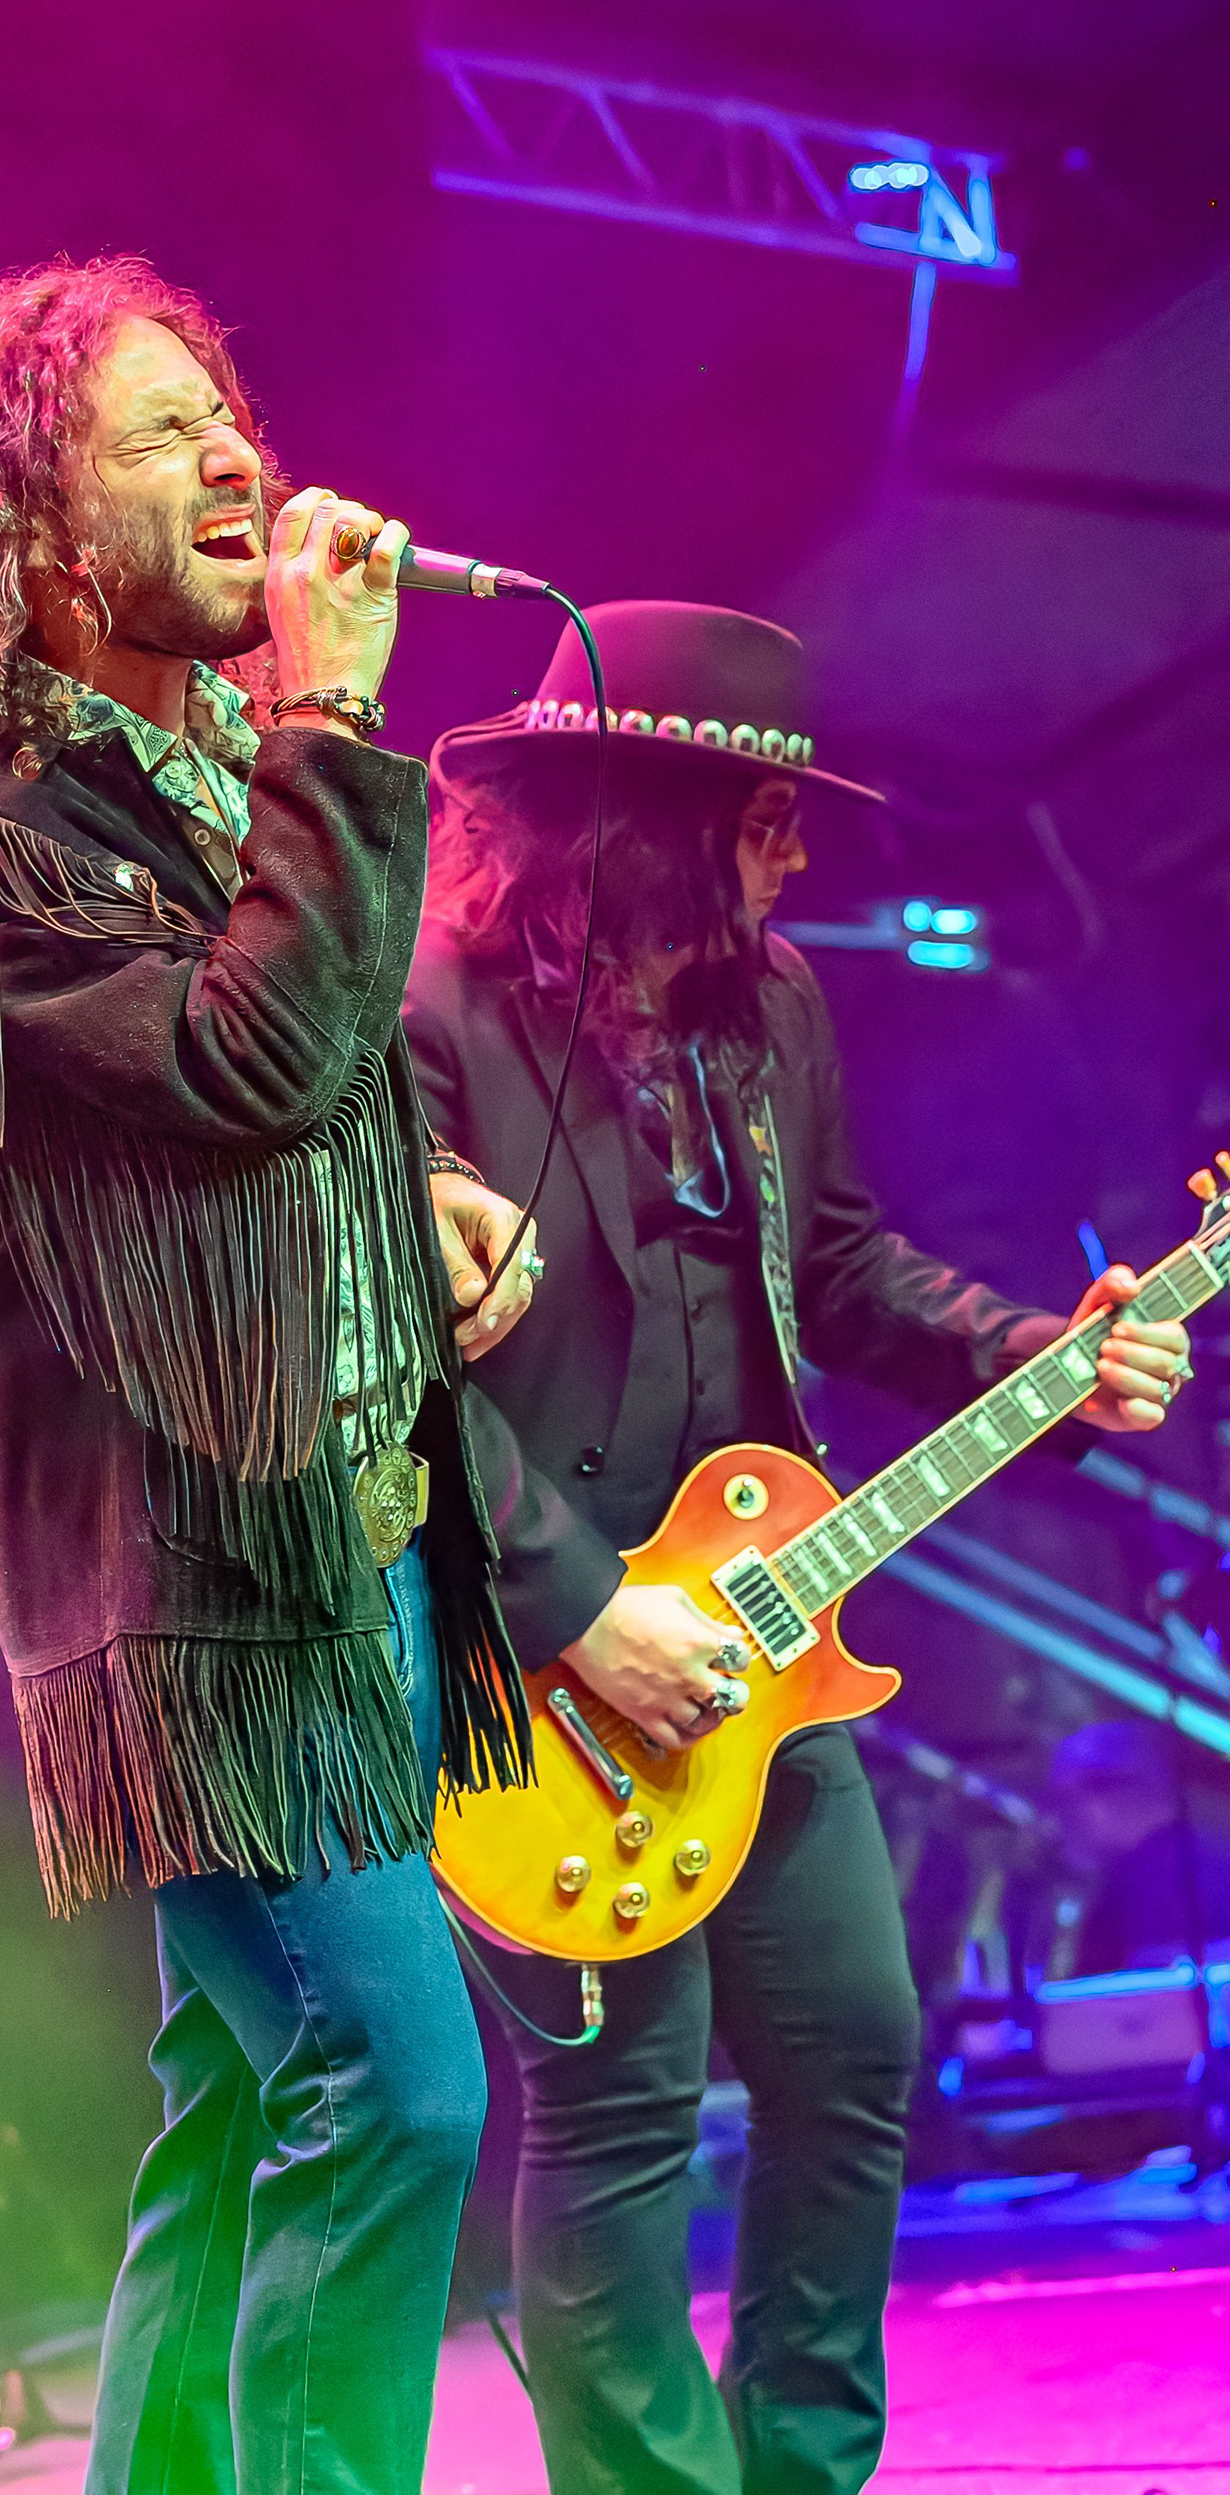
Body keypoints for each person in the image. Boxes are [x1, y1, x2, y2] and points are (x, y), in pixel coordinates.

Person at [0, 255, 546, 2495]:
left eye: (232, 414)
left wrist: (423, 1196)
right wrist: (334, 713)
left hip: (349, 1542)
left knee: (240, 2109)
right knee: (395, 2087)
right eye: (162, 432)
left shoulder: (211, 792)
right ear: (33, 532)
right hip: (197, 1592)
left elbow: (292, 1107)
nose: (238, 458)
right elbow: (236, 1064)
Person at [402, 602, 1193, 2495]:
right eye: (767, 817)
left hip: (768, 1628)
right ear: (658, 819)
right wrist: (583, 1614)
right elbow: (391, 1381)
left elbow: (836, 1267)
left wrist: (1042, 1355)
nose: (799, 856)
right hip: (548, 1663)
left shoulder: (769, 1006)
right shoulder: (428, 1019)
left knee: (853, 2059)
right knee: (624, 2116)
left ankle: (807, 2470)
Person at [1051, 1717, 1230, 1972]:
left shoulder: (1161, 1880)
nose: (1060, 1818)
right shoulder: (1196, 1859)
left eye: (1066, 1799)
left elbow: (1149, 1988)